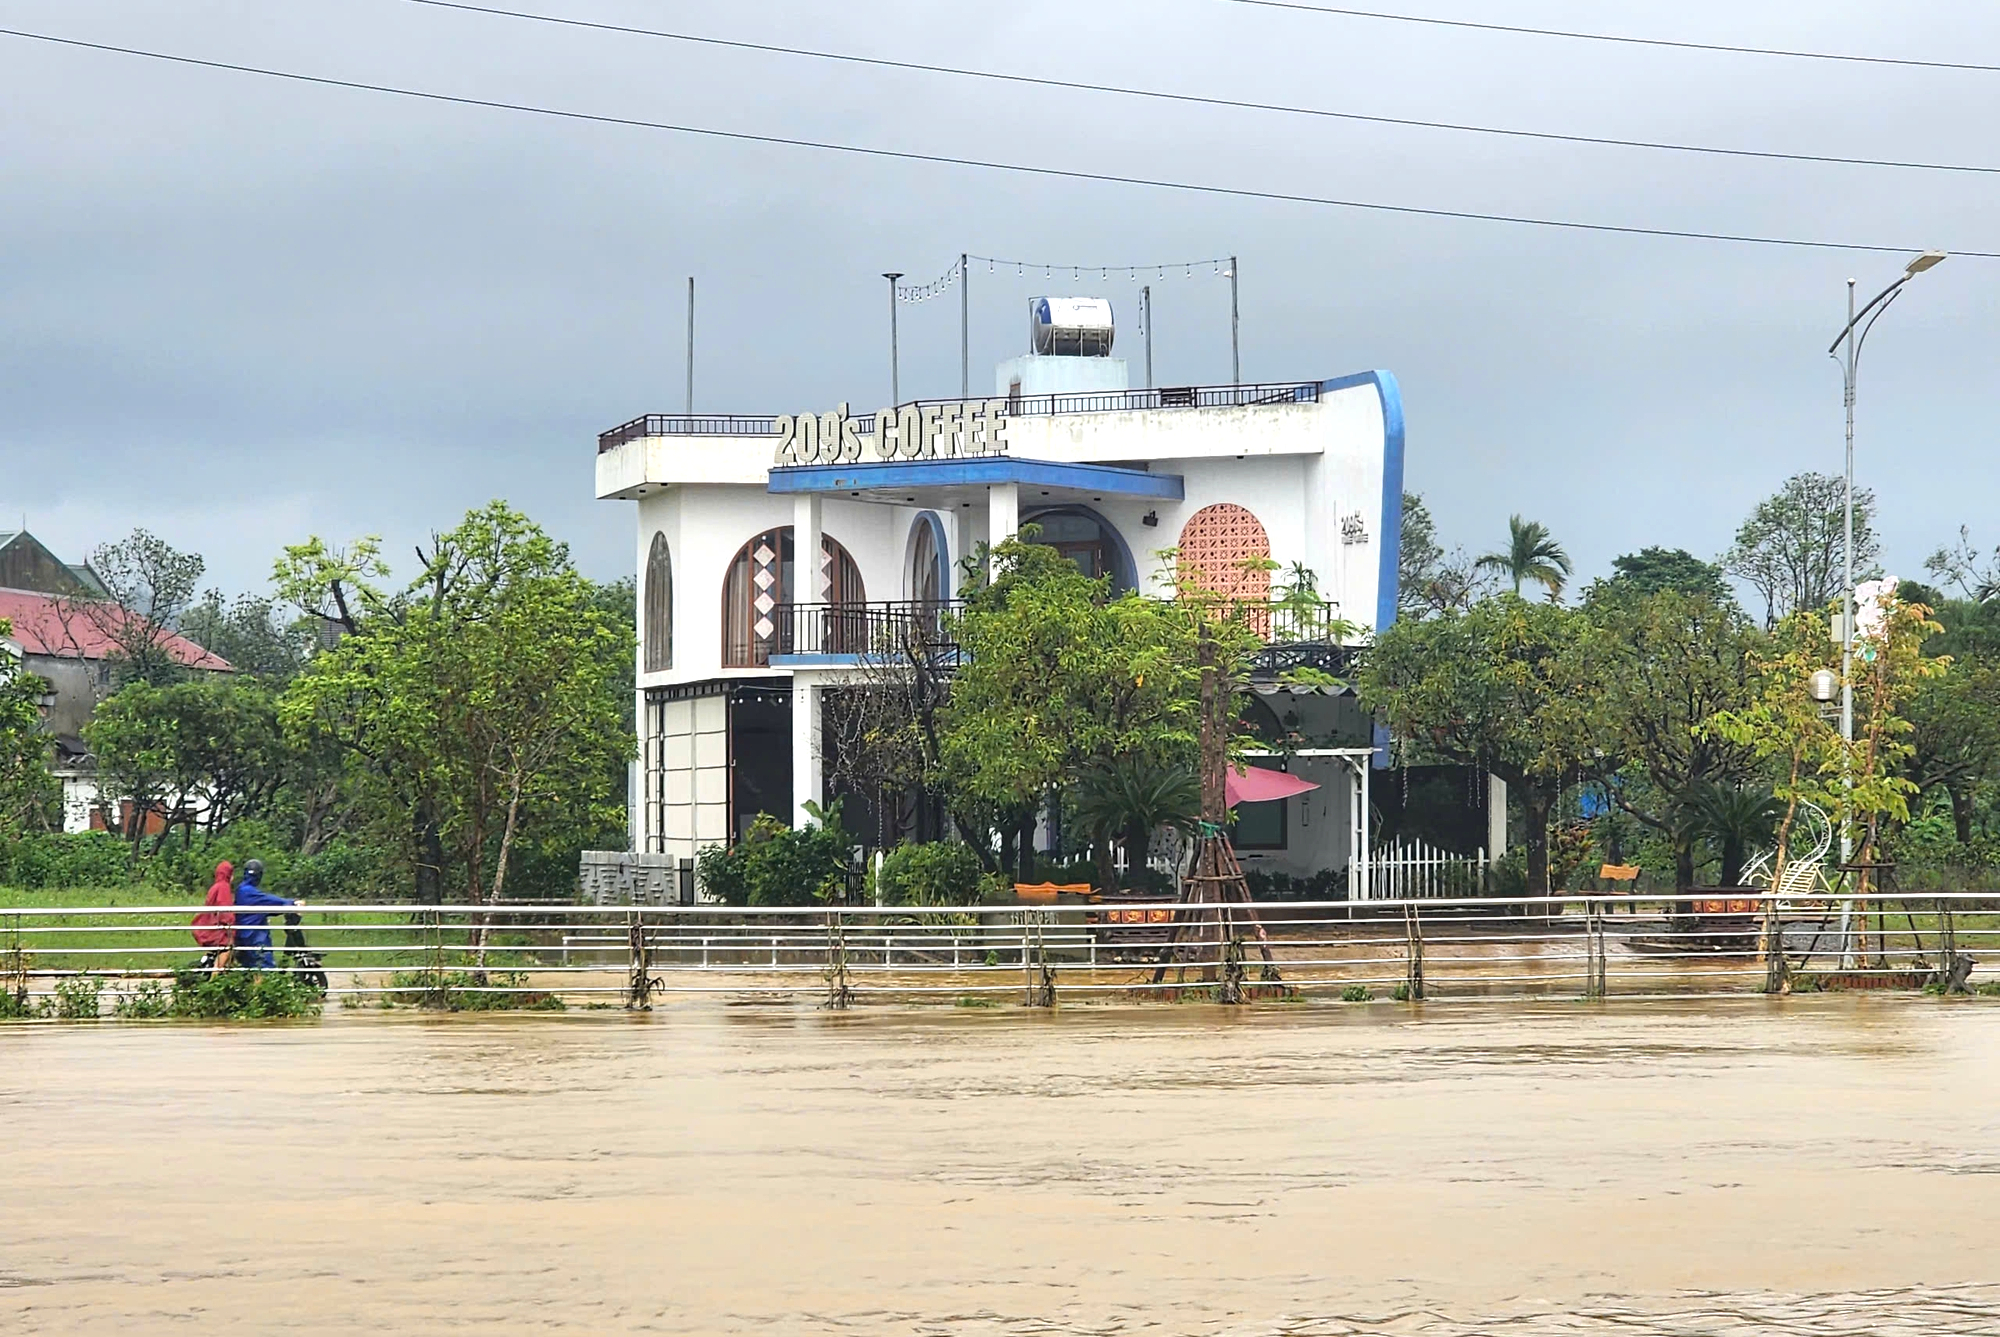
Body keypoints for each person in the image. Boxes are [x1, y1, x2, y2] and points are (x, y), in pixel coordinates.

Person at [231, 860, 301, 970]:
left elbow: (266, 905)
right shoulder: (249, 892)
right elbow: (269, 900)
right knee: (264, 965)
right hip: (253, 936)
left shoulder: (242, 889)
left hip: (245, 934)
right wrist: (292, 902)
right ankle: (262, 986)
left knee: (251, 967)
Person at [192, 860, 236, 973]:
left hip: (209, 927)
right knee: (227, 950)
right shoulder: (224, 887)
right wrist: (231, 927)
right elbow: (225, 909)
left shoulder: (215, 886)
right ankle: (215, 979)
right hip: (217, 930)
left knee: (219, 952)